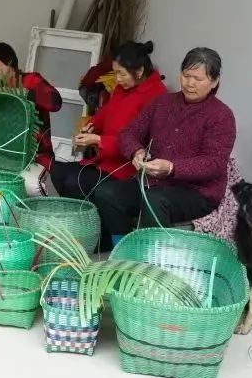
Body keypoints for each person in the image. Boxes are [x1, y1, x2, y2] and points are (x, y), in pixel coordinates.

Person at [91, 47, 236, 244]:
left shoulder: (221, 116)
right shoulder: (162, 103)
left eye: (198, 79)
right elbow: (129, 133)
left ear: (214, 82)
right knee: (106, 193)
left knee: (155, 200)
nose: (190, 83)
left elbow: (213, 163)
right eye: (186, 76)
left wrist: (171, 168)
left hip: (197, 192)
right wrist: (136, 151)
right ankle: (124, 246)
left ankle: (155, 255)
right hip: (154, 182)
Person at [51, 40, 167, 200]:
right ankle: (77, 212)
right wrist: (91, 126)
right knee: (57, 171)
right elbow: (107, 111)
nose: (118, 79)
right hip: (105, 161)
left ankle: (88, 213)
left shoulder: (156, 96)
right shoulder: (123, 87)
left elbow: (139, 143)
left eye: (122, 74)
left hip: (125, 169)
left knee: (73, 182)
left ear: (139, 71)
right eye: (115, 73)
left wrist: (98, 140)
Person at [0, 42, 62, 196]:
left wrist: (26, 93)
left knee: (31, 184)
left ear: (9, 60)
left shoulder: (32, 81)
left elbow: (55, 102)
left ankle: (32, 210)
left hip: (34, 157)